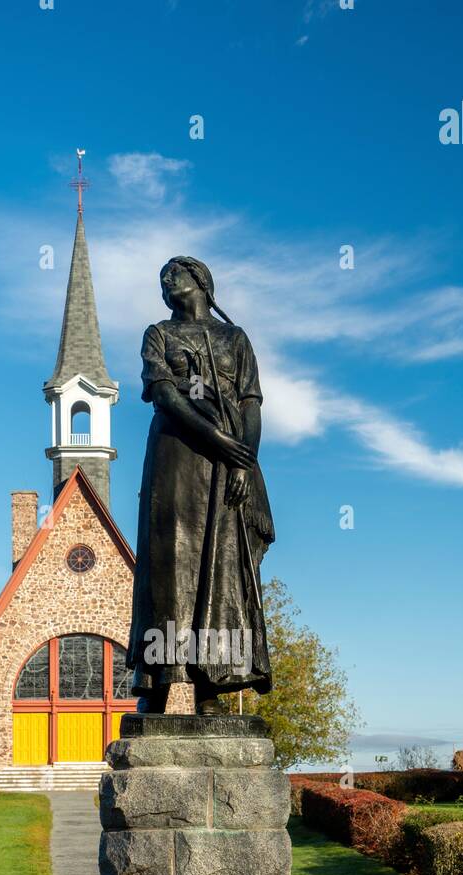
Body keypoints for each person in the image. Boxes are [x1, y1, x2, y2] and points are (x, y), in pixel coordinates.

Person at [127, 256, 275, 715]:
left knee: (222, 567)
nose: (166, 283)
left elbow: (251, 404)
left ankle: (213, 688)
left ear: (200, 283)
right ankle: (156, 684)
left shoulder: (235, 339)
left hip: (226, 469)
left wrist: (242, 462)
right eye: (163, 279)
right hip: (176, 457)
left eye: (175, 275)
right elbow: (166, 394)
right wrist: (218, 440)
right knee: (167, 568)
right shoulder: (159, 334)